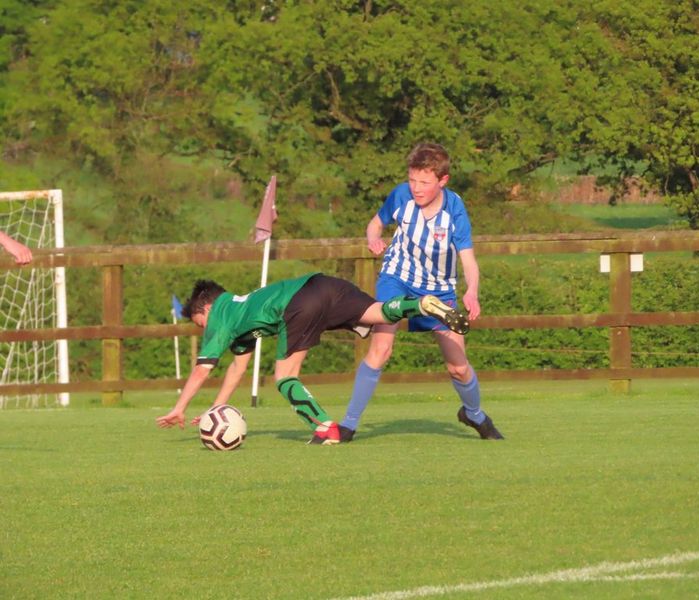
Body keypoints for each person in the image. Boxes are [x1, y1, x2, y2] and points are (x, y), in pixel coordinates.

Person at [155, 272, 468, 445]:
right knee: (378, 314)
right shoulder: (239, 314)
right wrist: (215, 410)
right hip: (326, 284)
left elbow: (201, 371)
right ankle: (420, 305)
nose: (206, 332)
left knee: (284, 378)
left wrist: (179, 408)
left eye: (201, 325)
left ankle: (324, 428)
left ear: (205, 309)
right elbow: (238, 368)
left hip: (299, 304)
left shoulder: (220, 315)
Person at [340, 142, 503, 442]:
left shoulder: (455, 209)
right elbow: (374, 225)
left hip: (440, 292)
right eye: (413, 179)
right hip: (397, 279)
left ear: (443, 181)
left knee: (458, 367)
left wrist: (472, 292)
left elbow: (468, 258)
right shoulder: (401, 195)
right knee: (381, 349)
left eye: (424, 182)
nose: (416, 188)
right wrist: (373, 239)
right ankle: (347, 425)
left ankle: (474, 414)